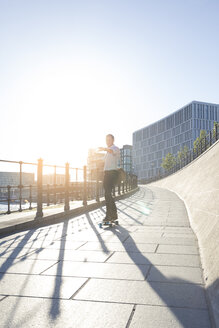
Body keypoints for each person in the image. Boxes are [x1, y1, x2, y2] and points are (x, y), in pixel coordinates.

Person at [98, 134, 120, 222]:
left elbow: (111, 151)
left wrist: (104, 149)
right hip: (107, 174)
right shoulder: (107, 153)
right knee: (108, 194)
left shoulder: (115, 148)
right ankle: (113, 215)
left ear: (113, 140)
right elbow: (102, 160)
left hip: (112, 174)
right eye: (106, 140)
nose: (107, 141)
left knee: (107, 194)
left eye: (109, 140)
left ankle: (109, 216)